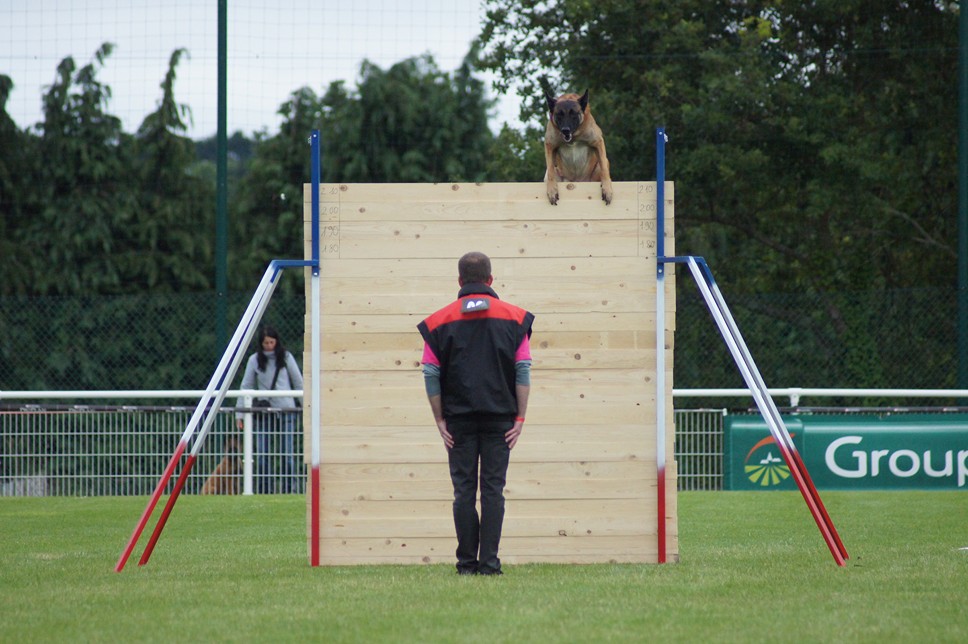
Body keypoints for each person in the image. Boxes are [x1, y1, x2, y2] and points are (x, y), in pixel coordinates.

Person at [417, 252, 534, 575]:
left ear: (459, 282)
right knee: (493, 489)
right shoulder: (515, 318)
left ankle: (466, 564)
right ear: (490, 280)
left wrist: (440, 420)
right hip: (501, 419)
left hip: (458, 421)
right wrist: (520, 418)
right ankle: (490, 564)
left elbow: (430, 374)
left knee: (464, 491)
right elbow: (523, 370)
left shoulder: (438, 322)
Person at [237, 326, 304, 494]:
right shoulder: (254, 360)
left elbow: (299, 383)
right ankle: (265, 490)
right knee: (262, 456)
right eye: (266, 342)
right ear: (261, 343)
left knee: (287, 454)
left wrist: (305, 407)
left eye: (272, 342)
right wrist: (240, 414)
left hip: (286, 409)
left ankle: (290, 491)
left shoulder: (286, 357)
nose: (269, 346)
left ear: (277, 341)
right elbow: (246, 386)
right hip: (264, 412)